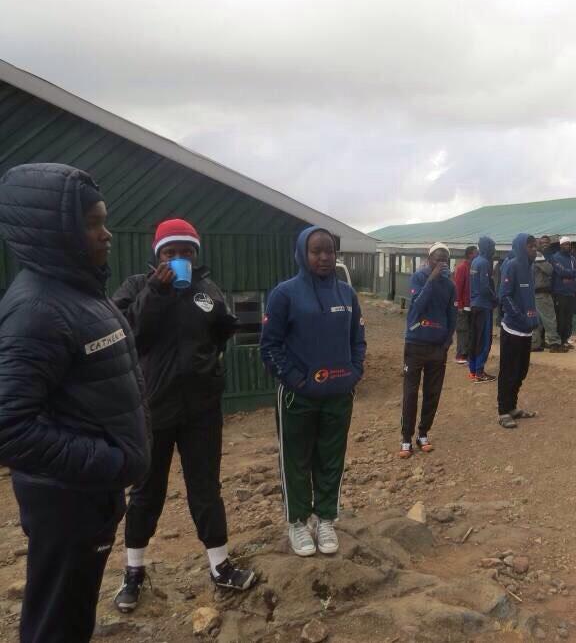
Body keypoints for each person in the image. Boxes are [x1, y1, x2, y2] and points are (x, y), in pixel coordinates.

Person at [0, 163, 150, 643]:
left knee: (72, 614)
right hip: (68, 501)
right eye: (92, 223)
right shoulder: (37, 311)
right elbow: (9, 426)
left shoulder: (80, 292)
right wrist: (110, 462)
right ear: (55, 231)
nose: (106, 234)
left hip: (89, 497)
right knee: (56, 623)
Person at [111, 218, 256, 612]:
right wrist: (155, 293)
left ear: (195, 255)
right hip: (153, 410)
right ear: (157, 255)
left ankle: (220, 565)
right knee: (146, 493)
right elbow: (127, 333)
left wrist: (212, 364)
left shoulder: (205, 289)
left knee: (206, 489)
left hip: (201, 410)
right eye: (170, 252)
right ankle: (134, 571)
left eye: (186, 252)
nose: (178, 258)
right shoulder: (137, 287)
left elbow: (221, 327)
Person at [260, 226, 366, 557]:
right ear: (302, 254)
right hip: (298, 397)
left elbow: (357, 340)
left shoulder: (347, 294)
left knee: (330, 460)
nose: (323, 257)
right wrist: (296, 380)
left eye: (329, 251)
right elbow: (270, 345)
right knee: (296, 460)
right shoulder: (285, 294)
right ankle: (298, 521)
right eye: (316, 251)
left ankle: (325, 519)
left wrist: (354, 372)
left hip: (338, 395)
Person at [398, 243, 456, 458]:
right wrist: (431, 279)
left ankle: (423, 433)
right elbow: (417, 307)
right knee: (410, 393)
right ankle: (406, 438)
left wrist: (447, 341)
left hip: (437, 348)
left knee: (433, 392)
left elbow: (452, 315)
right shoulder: (419, 278)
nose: (440, 263)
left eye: (444, 260)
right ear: (428, 258)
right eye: (436, 259)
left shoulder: (450, 286)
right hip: (415, 344)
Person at [497, 233, 541, 429]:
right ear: (522, 248)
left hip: (527, 331)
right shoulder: (512, 266)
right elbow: (505, 297)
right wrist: (521, 318)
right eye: (531, 247)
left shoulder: (530, 269)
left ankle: (513, 407)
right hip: (513, 330)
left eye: (536, 247)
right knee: (509, 372)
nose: (535, 250)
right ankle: (503, 411)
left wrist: (535, 318)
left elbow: (529, 298)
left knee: (521, 372)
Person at [468, 236, 498, 382]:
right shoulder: (485, 263)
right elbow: (485, 287)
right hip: (483, 305)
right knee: (484, 340)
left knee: (475, 338)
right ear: (486, 247)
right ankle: (480, 372)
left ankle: (473, 370)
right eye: (492, 247)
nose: (494, 250)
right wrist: (495, 299)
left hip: (474, 304)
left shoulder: (475, 261)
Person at [532, 235, 564, 353]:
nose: (544, 245)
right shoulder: (539, 255)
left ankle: (536, 344)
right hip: (542, 292)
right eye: (541, 243)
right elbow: (549, 270)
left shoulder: (529, 255)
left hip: (534, 292)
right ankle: (554, 343)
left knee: (537, 321)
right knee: (550, 318)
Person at [549, 236, 576, 348]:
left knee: (569, 318)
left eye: (569, 244)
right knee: (560, 318)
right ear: (561, 246)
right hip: (560, 292)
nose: (567, 246)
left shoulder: (572, 259)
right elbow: (561, 272)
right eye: (565, 244)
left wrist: (569, 275)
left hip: (571, 292)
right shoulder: (555, 258)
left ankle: (566, 339)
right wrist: (571, 274)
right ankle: (560, 340)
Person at [452, 245, 477, 364]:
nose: (477, 255)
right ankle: (460, 355)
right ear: (469, 254)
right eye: (475, 253)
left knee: (469, 330)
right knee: (462, 330)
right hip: (463, 307)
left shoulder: (472, 267)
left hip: (470, 305)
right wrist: (459, 306)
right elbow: (458, 287)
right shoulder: (462, 268)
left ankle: (466, 353)